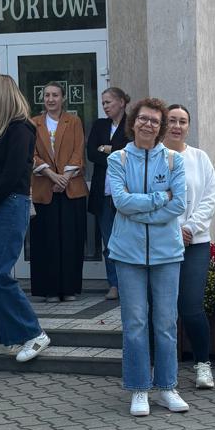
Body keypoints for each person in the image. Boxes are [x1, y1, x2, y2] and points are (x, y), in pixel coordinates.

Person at [107, 97, 188, 417]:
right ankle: (139, 388)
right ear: (133, 121)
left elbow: (178, 204)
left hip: (167, 253)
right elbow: (121, 202)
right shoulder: (117, 159)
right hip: (128, 253)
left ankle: (167, 387)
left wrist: (140, 210)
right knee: (136, 323)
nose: (148, 124)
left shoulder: (173, 160)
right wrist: (158, 199)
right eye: (143, 118)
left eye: (155, 120)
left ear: (161, 126)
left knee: (166, 323)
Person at [0, 76, 50, 363]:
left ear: (1, 95)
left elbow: (14, 173)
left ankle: (34, 333)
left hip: (10, 204)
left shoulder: (21, 128)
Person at [163, 104, 215, 391]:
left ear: (188, 126)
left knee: (191, 306)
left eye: (182, 121)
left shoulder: (200, 157)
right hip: (162, 242)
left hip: (195, 242)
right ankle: (163, 367)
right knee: (162, 308)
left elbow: (210, 197)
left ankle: (202, 364)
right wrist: (174, 230)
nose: (177, 126)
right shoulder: (155, 157)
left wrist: (189, 228)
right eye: (172, 120)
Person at [29, 82, 88, 302]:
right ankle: (50, 290)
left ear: (63, 98)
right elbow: (31, 154)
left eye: (55, 95)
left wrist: (64, 178)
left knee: (71, 240)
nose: (51, 99)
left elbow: (78, 151)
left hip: (71, 188)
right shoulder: (33, 123)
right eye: (47, 95)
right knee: (46, 242)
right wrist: (52, 176)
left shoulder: (74, 121)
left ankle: (69, 289)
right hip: (45, 189)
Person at [87, 87, 129, 300]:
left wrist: (107, 149)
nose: (105, 106)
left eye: (108, 102)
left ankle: (128, 283)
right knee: (108, 240)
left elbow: (129, 153)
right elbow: (91, 153)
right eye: (103, 103)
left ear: (121, 102)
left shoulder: (132, 124)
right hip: (103, 193)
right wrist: (114, 152)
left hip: (125, 193)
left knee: (127, 239)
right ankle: (114, 283)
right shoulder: (99, 125)